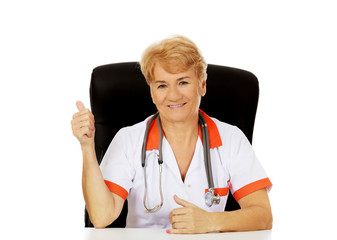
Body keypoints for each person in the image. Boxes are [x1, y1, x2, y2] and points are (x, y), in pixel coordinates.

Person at [71, 35, 273, 234]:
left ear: (202, 85)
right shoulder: (128, 140)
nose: (174, 95)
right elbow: (100, 217)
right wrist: (87, 146)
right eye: (162, 85)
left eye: (183, 82)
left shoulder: (231, 139)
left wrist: (210, 221)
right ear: (151, 92)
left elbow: (263, 216)